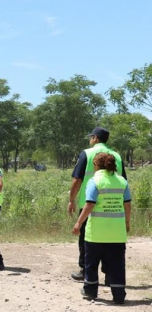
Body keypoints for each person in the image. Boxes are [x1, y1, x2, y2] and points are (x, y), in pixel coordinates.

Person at [68, 127, 127, 281]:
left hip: (89, 203)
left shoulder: (87, 153)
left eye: (91, 137)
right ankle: (109, 274)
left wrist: (71, 200)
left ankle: (85, 271)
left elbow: (77, 179)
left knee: (87, 239)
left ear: (94, 138)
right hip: (114, 205)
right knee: (111, 239)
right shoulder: (117, 156)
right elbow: (124, 181)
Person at [72, 152, 131, 304]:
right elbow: (127, 204)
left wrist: (78, 223)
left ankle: (90, 291)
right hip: (117, 233)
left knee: (91, 263)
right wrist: (127, 223)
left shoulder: (95, 181)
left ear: (96, 165)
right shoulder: (122, 181)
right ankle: (118, 295)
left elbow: (90, 204)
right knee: (117, 265)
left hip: (96, 233)